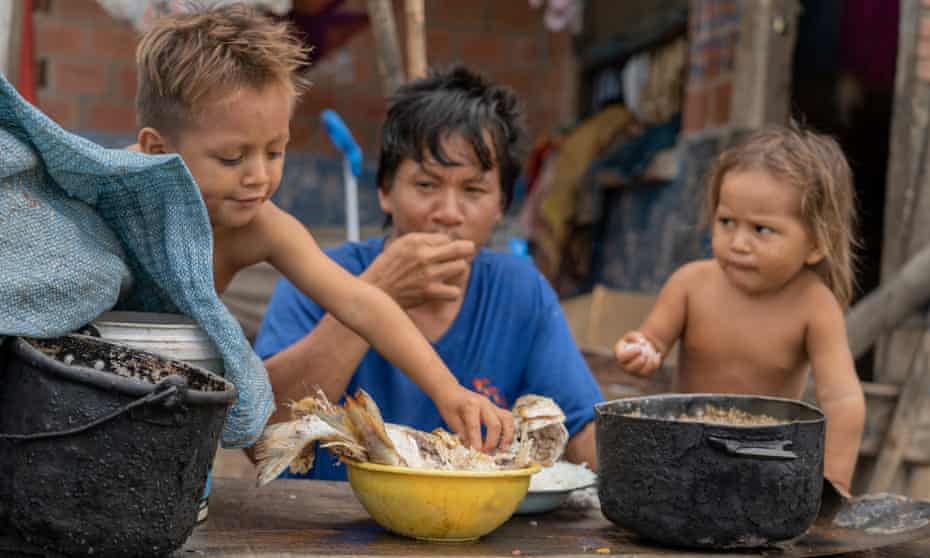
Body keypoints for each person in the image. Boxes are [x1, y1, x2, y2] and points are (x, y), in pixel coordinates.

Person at [133, 4, 511, 451]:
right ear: (157, 150)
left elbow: (363, 302)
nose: (259, 176)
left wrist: (450, 391)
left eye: (275, 152)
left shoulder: (262, 227)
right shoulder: (114, 199)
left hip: (163, 400)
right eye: (232, 158)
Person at [255, 65, 604, 481]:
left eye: (473, 191)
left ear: (500, 207)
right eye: (425, 185)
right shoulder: (319, 275)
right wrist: (374, 293)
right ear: (385, 191)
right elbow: (259, 440)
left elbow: (582, 431)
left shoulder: (520, 291)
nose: (448, 214)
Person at [614, 124, 866, 493]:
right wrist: (639, 351)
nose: (738, 243)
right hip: (684, 452)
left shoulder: (814, 305)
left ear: (815, 243)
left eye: (762, 230)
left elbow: (842, 399)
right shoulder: (690, 284)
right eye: (726, 222)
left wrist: (834, 484)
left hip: (766, 460)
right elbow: (650, 340)